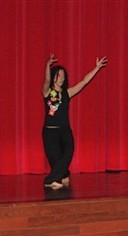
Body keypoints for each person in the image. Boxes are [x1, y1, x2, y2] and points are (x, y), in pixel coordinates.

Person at [41, 54, 107, 190]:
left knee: (68, 151)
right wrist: (48, 65)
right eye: (58, 75)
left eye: (63, 75)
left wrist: (97, 68)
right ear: (54, 77)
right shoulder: (47, 92)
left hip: (64, 129)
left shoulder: (67, 93)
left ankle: (53, 178)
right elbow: (46, 79)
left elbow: (83, 82)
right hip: (50, 131)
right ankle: (58, 177)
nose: (61, 78)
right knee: (55, 158)